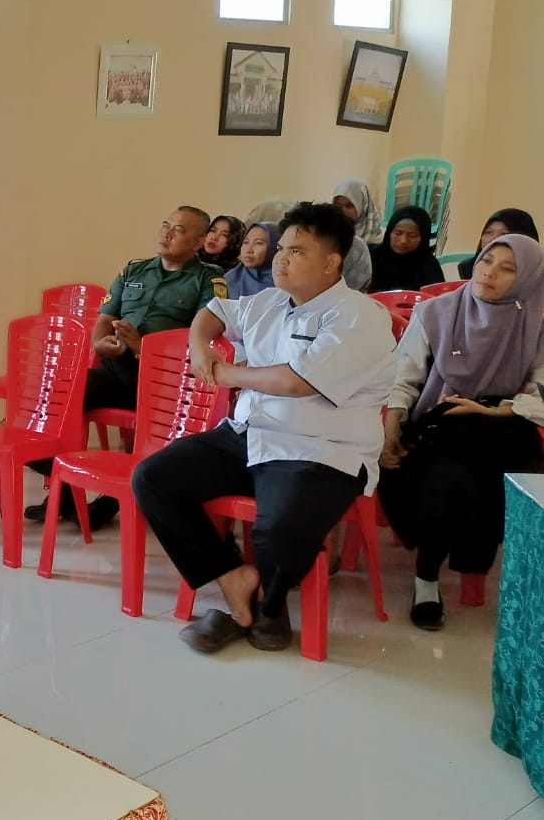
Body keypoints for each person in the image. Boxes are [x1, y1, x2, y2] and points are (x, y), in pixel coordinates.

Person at [131, 202, 397, 654]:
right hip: (250, 432)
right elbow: (213, 313)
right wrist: (200, 347)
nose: (280, 258)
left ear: (332, 262)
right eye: (282, 248)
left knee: (279, 528)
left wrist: (226, 373)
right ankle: (236, 579)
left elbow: (295, 382)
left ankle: (268, 606)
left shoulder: (360, 316)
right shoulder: (270, 301)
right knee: (153, 479)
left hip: (321, 448)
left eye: (296, 251)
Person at [378, 236, 544, 629]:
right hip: (441, 423)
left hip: (501, 427)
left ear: (529, 279)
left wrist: (496, 409)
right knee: (447, 477)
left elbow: (541, 395)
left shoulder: (536, 321)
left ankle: (516, 589)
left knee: (524, 481)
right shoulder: (437, 312)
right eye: (488, 260)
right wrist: (390, 433)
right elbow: (403, 381)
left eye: (509, 268)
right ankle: (426, 582)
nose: (490, 272)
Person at [25, 207, 226, 526]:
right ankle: (68, 488)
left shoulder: (209, 282)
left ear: (199, 240)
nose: (166, 233)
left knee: (154, 441)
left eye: (178, 229)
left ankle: (109, 498)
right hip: (117, 370)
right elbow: (104, 319)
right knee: (52, 404)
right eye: (165, 225)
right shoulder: (133, 271)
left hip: (167, 386)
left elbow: (205, 340)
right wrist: (99, 343)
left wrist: (141, 346)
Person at [368, 205, 446, 292]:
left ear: (423, 238)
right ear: (389, 233)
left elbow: (436, 300)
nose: (403, 241)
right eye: (398, 233)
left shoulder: (429, 266)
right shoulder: (372, 257)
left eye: (412, 236)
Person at [457, 209, 539, 279]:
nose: (492, 240)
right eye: (488, 232)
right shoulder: (469, 268)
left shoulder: (537, 275)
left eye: (504, 234)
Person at [330, 179, 380, 291]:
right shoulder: (329, 236)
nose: (342, 211)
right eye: (337, 206)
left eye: (349, 206)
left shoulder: (379, 242)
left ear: (363, 206)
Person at [222, 221, 277, 298]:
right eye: (246, 242)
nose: (249, 250)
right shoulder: (230, 280)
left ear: (273, 247)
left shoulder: (286, 284)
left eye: (258, 243)